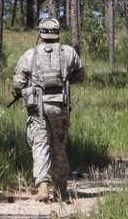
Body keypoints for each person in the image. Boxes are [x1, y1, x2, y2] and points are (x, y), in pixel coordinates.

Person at [12, 17, 85, 202]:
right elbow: (81, 75)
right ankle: (60, 188)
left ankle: (43, 185)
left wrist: (26, 88)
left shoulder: (30, 54)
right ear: (57, 32)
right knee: (59, 146)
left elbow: (18, 82)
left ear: (41, 33)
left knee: (40, 143)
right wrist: (66, 81)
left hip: (37, 108)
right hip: (60, 105)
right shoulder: (69, 52)